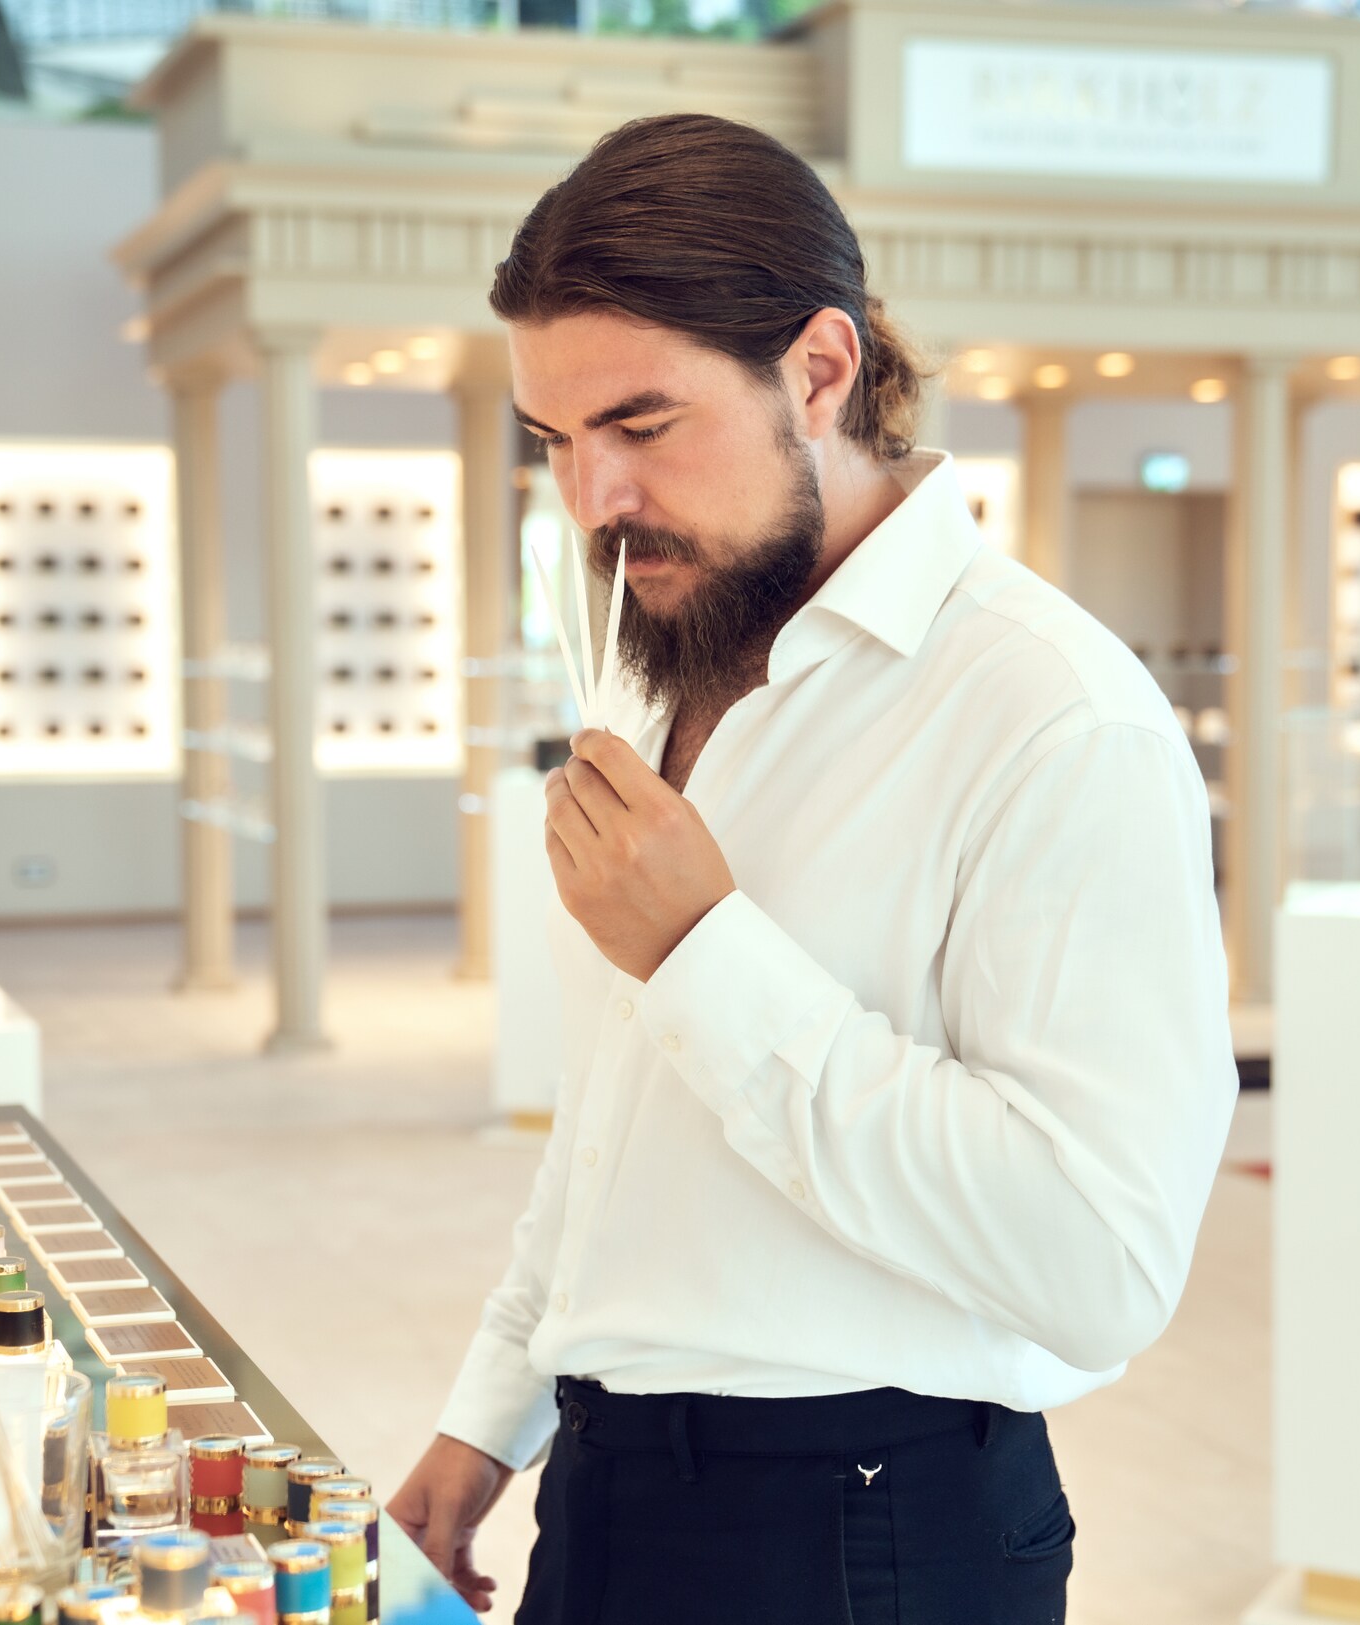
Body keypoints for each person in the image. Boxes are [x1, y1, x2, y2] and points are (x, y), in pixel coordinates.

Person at [388, 112, 1237, 1625]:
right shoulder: (660, 663)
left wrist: (705, 952)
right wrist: (486, 1420)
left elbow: (1098, 1258)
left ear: (822, 371)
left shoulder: (1055, 716)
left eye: (641, 428)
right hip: (604, 1485)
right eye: (555, 444)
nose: (593, 503)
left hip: (865, 1537)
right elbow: (615, 1132)